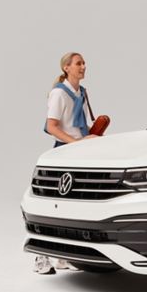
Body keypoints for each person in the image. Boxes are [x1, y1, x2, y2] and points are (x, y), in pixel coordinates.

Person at [34, 52, 99, 275]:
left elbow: (83, 125)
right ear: (66, 68)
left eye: (83, 63)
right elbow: (51, 126)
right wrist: (75, 144)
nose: (83, 66)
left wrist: (92, 139)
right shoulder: (58, 94)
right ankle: (40, 256)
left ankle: (64, 255)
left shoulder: (82, 92)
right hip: (64, 153)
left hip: (81, 154)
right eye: (78, 63)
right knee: (50, 205)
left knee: (74, 206)